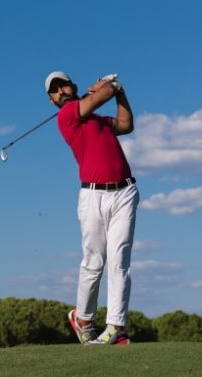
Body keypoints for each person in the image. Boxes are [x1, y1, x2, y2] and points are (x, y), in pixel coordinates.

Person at [45, 71, 139, 345]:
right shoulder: (67, 116)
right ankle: (83, 319)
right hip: (93, 196)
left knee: (120, 261)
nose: (61, 91)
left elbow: (125, 124)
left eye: (64, 85)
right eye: (55, 90)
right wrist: (106, 87)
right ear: (52, 101)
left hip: (124, 192)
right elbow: (104, 94)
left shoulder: (97, 120)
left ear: (73, 87)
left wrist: (119, 92)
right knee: (94, 262)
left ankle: (116, 327)